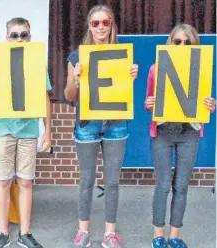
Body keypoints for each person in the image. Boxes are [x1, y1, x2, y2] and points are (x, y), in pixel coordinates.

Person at [64, 5, 139, 248]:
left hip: (116, 123)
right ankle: (83, 230)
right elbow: (69, 95)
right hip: (87, 123)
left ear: (112, 25)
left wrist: (132, 76)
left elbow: (124, 95)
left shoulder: (121, 54)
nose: (100, 28)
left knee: (112, 181)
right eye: (95, 23)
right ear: (88, 25)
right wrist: (76, 78)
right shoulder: (77, 56)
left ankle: (109, 233)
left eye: (105, 22)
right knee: (86, 179)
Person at [145, 23, 216, 248]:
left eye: (188, 42)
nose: (183, 45)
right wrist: (149, 104)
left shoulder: (202, 68)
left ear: (195, 45)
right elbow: (149, 103)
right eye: (178, 41)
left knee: (182, 185)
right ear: (170, 42)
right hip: (163, 132)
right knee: (163, 185)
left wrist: (211, 104)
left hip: (189, 133)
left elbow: (204, 102)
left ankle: (174, 235)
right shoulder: (157, 69)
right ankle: (158, 235)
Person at [0, 17, 52, 248]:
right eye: (14, 35)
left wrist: (48, 130)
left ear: (30, 37)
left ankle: (25, 232)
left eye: (24, 35)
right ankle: (2, 232)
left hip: (29, 129)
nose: (20, 39)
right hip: (3, 129)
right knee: (2, 181)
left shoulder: (35, 62)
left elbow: (45, 97)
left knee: (25, 182)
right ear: (7, 38)